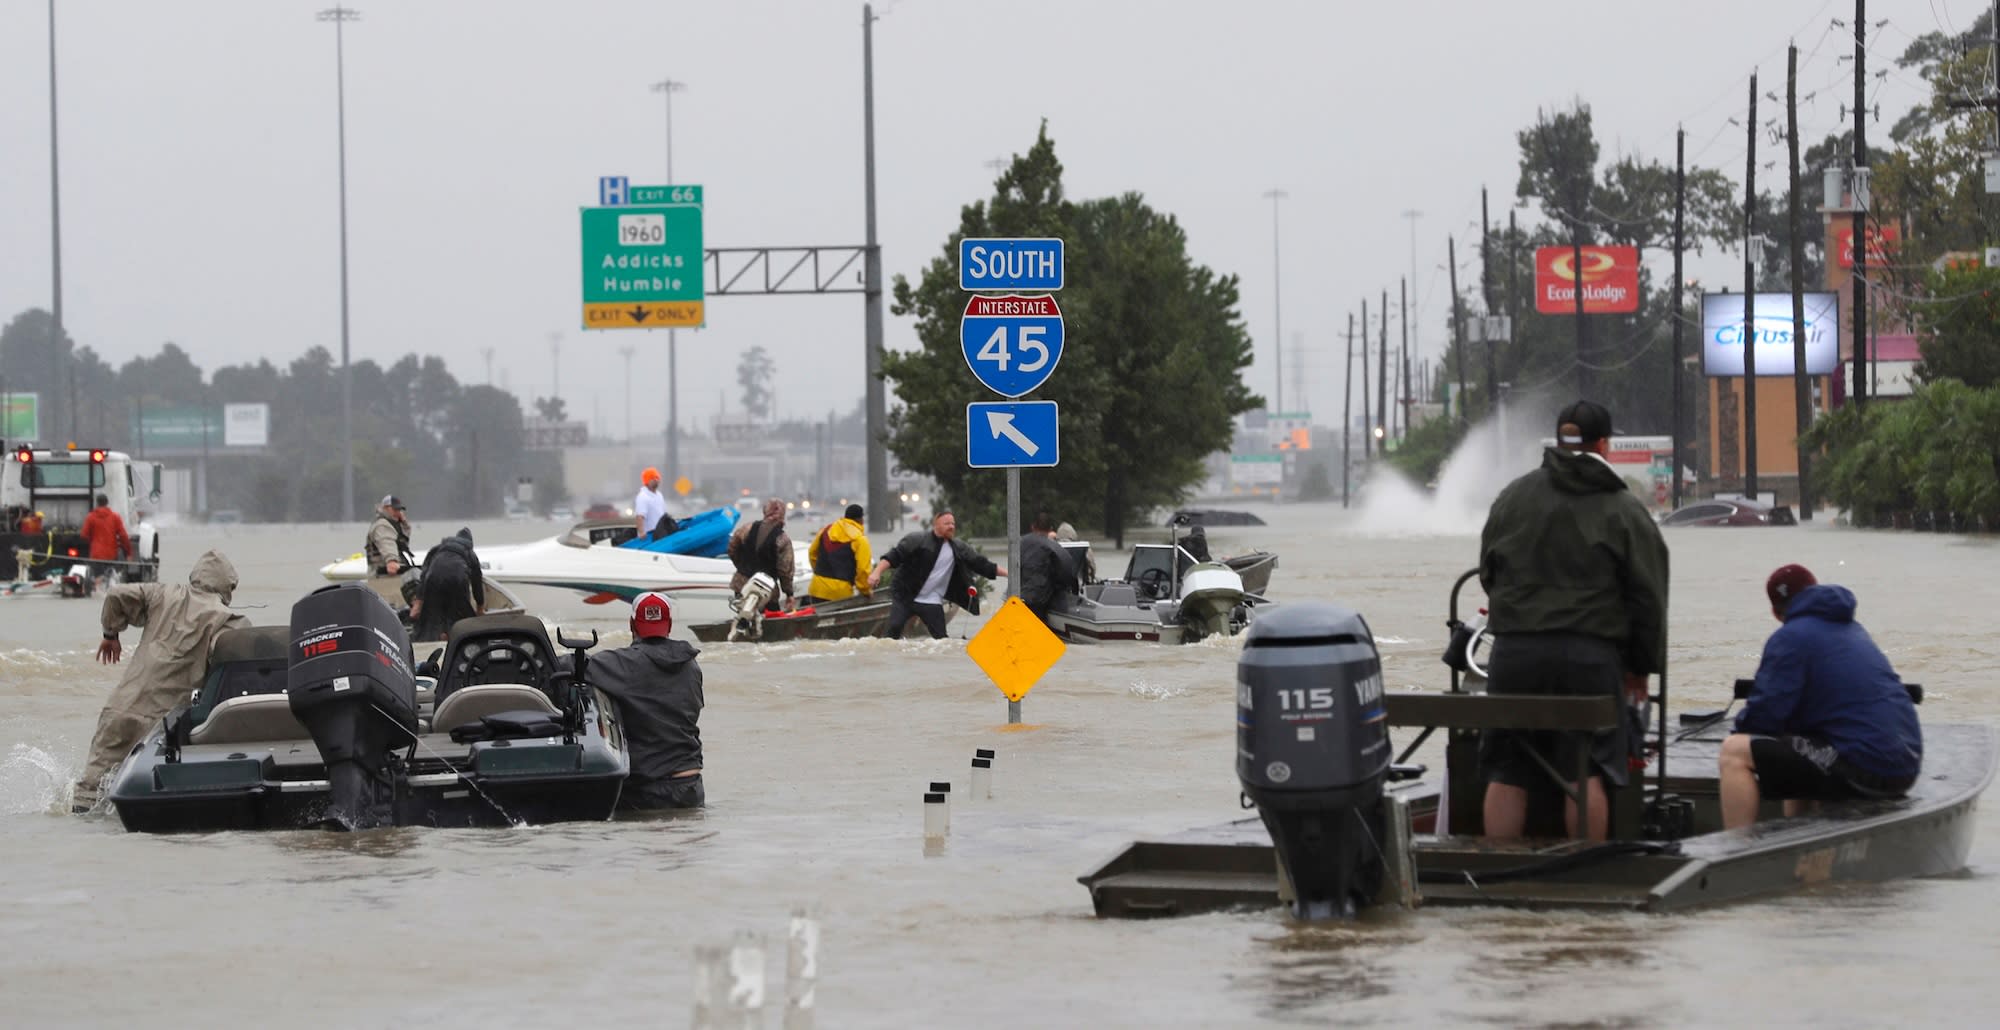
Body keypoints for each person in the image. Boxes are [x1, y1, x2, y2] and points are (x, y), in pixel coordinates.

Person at [1476, 400, 1669, 841]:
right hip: (1588, 658)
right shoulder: (1624, 509)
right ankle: (1582, 870)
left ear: (1558, 440)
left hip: (1513, 654)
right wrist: (1640, 666)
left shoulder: (1513, 497)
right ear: (1605, 444)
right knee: (1586, 767)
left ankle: (1495, 867)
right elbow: (1648, 596)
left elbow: (1489, 572)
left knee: (1507, 767)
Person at [1718, 565, 1922, 829]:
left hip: (1865, 767)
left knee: (1734, 751)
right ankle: (1799, 837)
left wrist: (1740, 730)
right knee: (1795, 741)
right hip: (1904, 765)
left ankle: (1734, 850)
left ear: (1775, 612)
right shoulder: (1852, 629)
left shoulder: (1790, 637)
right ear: (1814, 589)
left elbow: (1763, 717)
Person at [71, 550, 249, 812]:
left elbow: (116, 594)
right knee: (145, 802)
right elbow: (235, 665)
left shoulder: (162, 593)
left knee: (88, 796)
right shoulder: (226, 620)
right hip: (160, 726)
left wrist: (111, 634)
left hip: (119, 711)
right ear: (228, 586)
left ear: (195, 577)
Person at [583, 591, 705, 809]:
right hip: (690, 785)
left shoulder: (622, 664)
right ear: (668, 625)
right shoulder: (691, 666)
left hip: (646, 791)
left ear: (632, 624)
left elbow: (572, 666)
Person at [869, 510, 1007, 639]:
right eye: (947, 523)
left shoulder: (959, 548)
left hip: (931, 600)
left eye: (953, 524)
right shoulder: (917, 540)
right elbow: (893, 556)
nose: (951, 527)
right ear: (936, 525)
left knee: (942, 640)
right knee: (893, 630)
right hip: (905, 596)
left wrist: (1008, 574)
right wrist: (876, 572)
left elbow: (982, 565)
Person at [409, 528, 486, 642]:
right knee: (460, 615)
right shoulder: (470, 554)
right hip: (457, 580)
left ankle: (432, 639)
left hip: (433, 578)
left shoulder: (437, 549)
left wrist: (418, 602)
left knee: (432, 614)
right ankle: (455, 638)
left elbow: (424, 574)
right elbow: (476, 584)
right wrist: (480, 608)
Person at [727, 497, 796, 612]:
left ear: (765, 511)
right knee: (771, 622)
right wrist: (789, 593)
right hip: (767, 590)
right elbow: (785, 571)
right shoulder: (783, 539)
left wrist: (741, 567)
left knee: (743, 617)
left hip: (742, 585)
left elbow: (732, 548)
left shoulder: (746, 528)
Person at [1016, 512, 1079, 622]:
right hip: (1041, 602)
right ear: (1050, 529)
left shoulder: (1019, 543)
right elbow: (1068, 574)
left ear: (1032, 526)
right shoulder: (1057, 549)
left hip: (1020, 598)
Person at [807, 503, 872, 603]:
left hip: (817, 588)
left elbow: (812, 553)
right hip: (841, 593)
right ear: (861, 520)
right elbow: (863, 570)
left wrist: (820, 572)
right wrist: (865, 591)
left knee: (820, 618)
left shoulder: (826, 530)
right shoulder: (860, 540)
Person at [363, 494, 413, 608]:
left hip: (388, 577)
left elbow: (403, 540)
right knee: (393, 606)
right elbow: (386, 542)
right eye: (395, 509)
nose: (397, 512)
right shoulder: (382, 525)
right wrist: (392, 560)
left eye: (399, 510)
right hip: (382, 577)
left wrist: (404, 523)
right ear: (385, 508)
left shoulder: (392, 524)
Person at [633, 467, 677, 540]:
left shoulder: (659, 495)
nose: (656, 480)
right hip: (649, 537)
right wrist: (641, 532)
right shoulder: (643, 496)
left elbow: (663, 514)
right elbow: (640, 516)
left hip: (661, 533)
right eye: (653, 478)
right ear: (647, 481)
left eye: (657, 478)